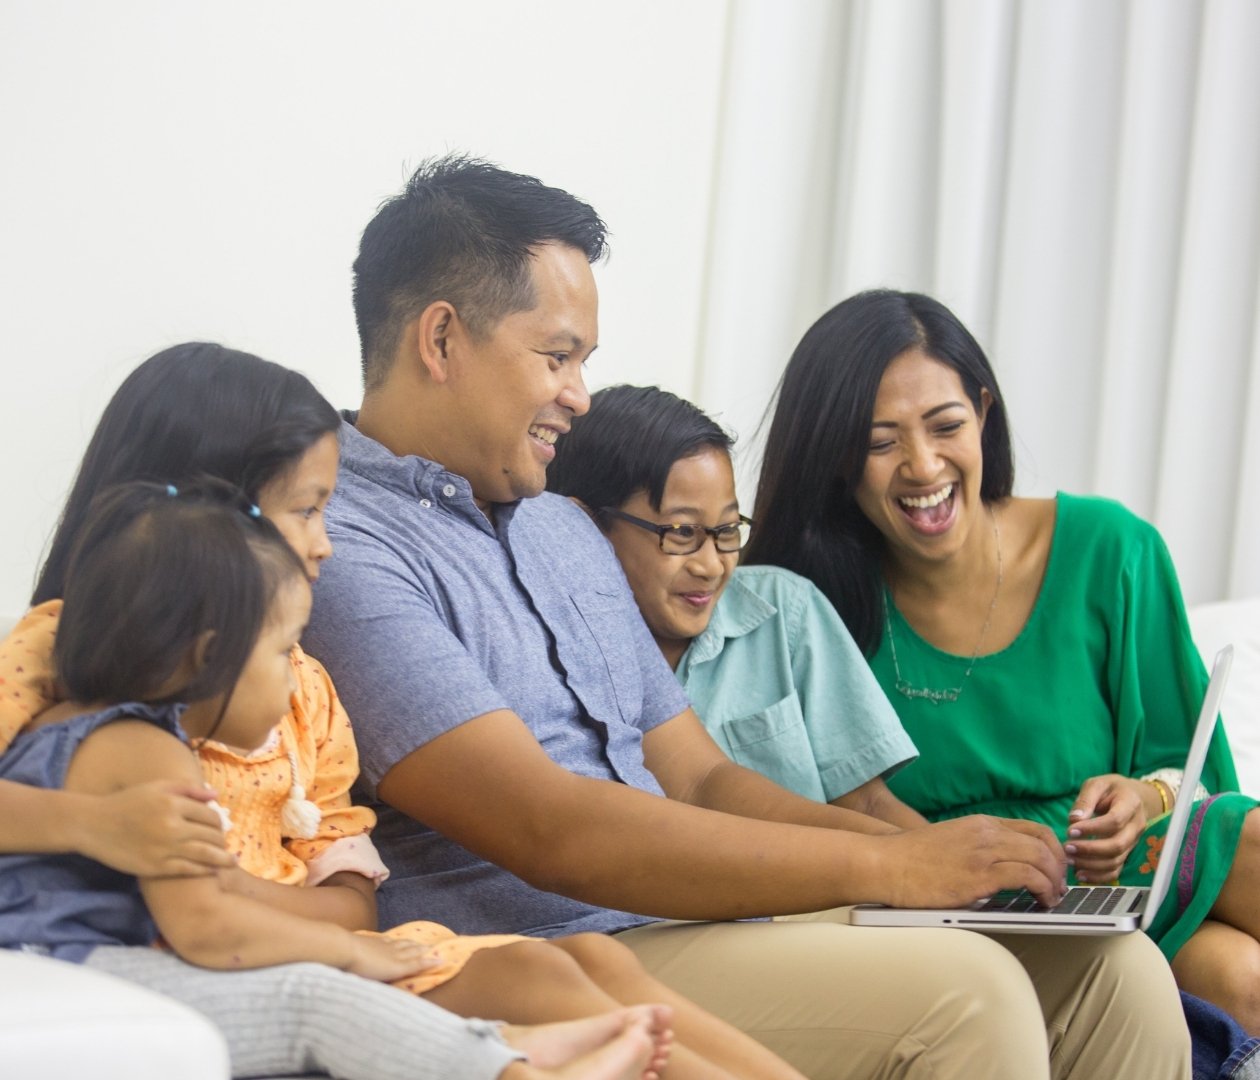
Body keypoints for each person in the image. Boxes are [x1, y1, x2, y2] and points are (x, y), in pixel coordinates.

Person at [302, 152, 1193, 1079]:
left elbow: (699, 780)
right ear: (441, 341)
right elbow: (549, 829)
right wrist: (887, 872)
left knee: (1111, 968)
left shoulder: (561, 527)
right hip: (554, 945)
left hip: (692, 919)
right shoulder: (340, 544)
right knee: (971, 993)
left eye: (585, 362)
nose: (580, 395)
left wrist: (924, 854)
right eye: (557, 356)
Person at [0, 344, 804, 1080]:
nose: (328, 543)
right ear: (201, 524)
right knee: (536, 977)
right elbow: (193, 916)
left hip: (294, 940)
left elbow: (342, 888)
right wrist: (84, 826)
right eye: (308, 510)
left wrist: (281, 916)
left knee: (586, 960)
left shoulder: (302, 687)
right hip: (205, 956)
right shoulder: (68, 661)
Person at [1, 482, 671, 1080]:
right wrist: (348, 952)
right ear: (210, 656)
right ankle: (517, 1071)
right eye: (281, 652)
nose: (295, 678)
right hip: (75, 968)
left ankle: (511, 1048)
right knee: (317, 999)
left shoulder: (68, 724)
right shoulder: (148, 753)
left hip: (70, 963)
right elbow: (206, 930)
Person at [744, 287, 1260, 1034]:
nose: (923, 466)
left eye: (946, 426)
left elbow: (1196, 768)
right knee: (1238, 977)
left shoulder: (1111, 548)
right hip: (958, 901)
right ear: (835, 458)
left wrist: (1142, 798)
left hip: (1121, 882)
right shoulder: (802, 604)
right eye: (880, 442)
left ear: (984, 413)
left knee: (1241, 897)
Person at [546, 383, 923, 827]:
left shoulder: (787, 612)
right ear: (585, 527)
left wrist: (950, 865)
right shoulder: (549, 655)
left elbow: (867, 803)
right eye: (682, 533)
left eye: (727, 530)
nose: (711, 565)